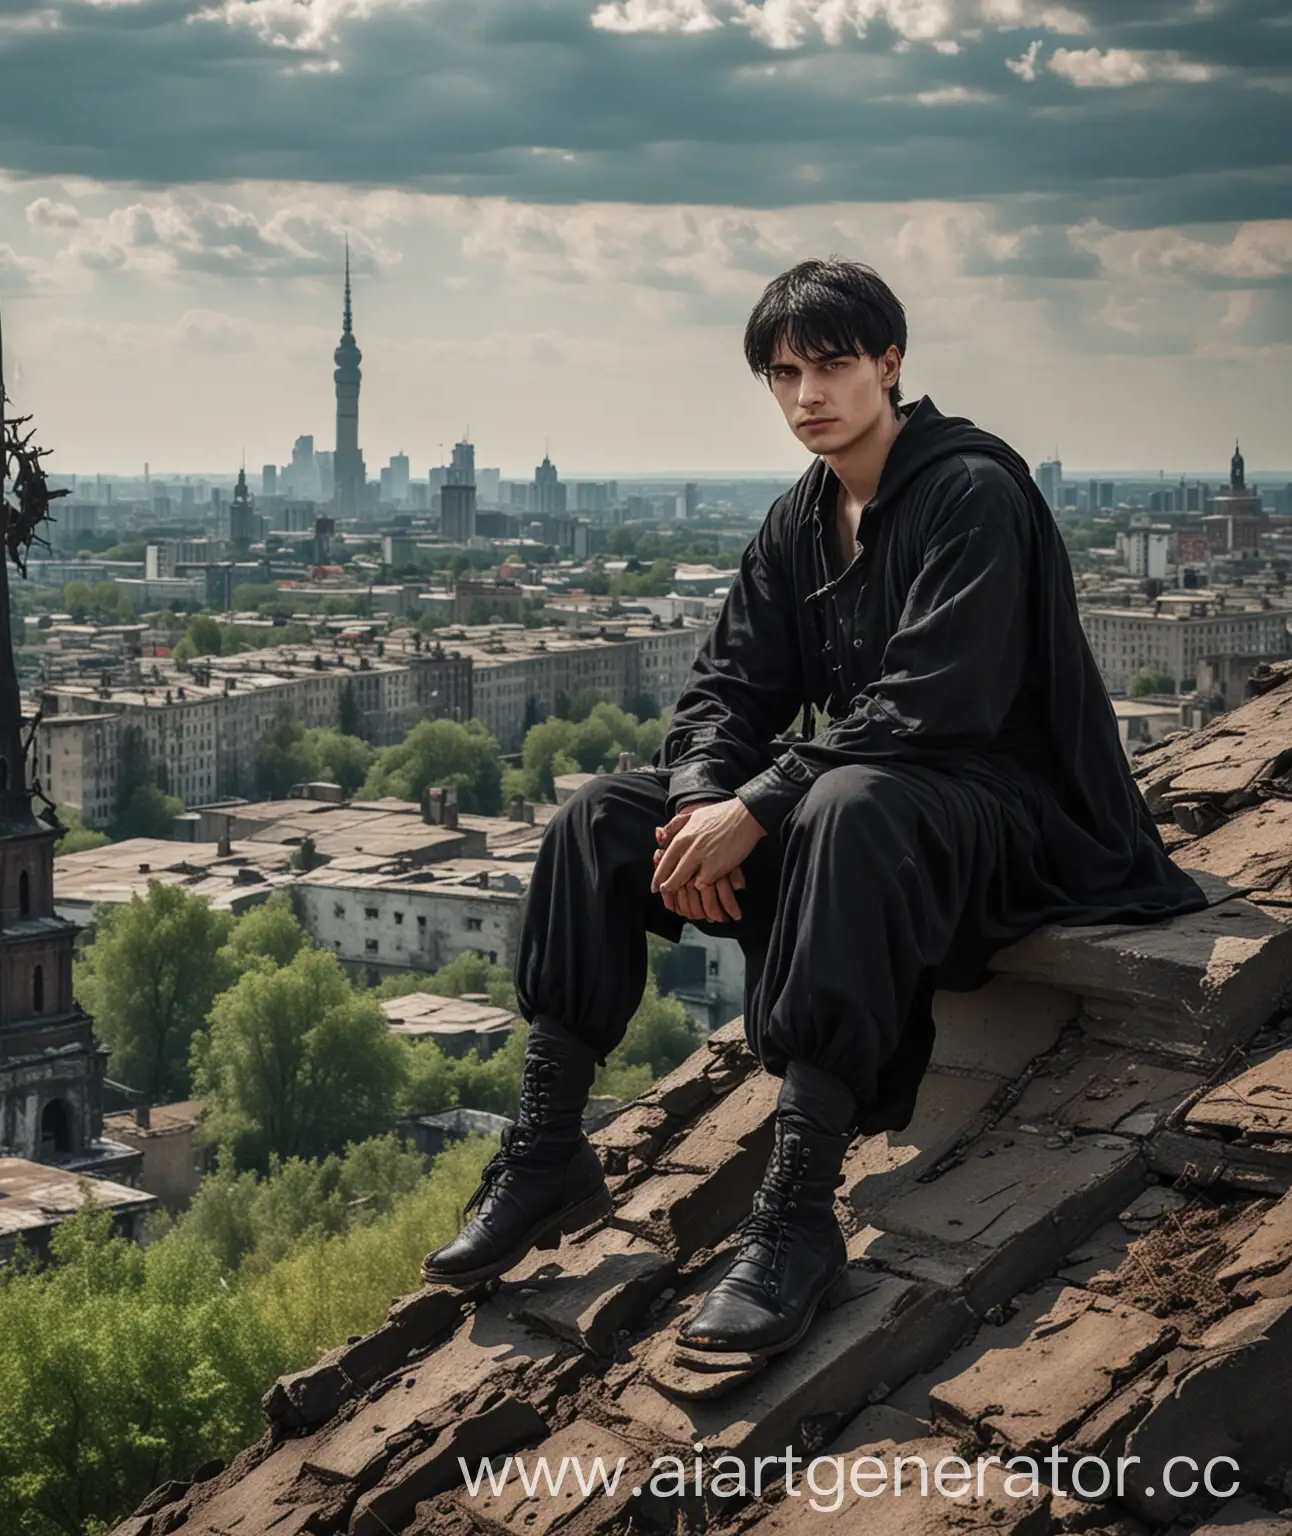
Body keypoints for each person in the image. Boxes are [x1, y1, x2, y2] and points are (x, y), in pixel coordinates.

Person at [420, 258, 1207, 1362]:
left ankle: (796, 1217)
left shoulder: (973, 491)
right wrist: (700, 802)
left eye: (831, 365)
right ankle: (548, 1149)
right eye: (782, 374)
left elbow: (941, 703)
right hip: (877, 807)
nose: (806, 397)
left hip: (1018, 825)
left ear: (890, 365)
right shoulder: (802, 518)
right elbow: (724, 691)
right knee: (601, 814)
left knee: (845, 803)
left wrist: (759, 803)